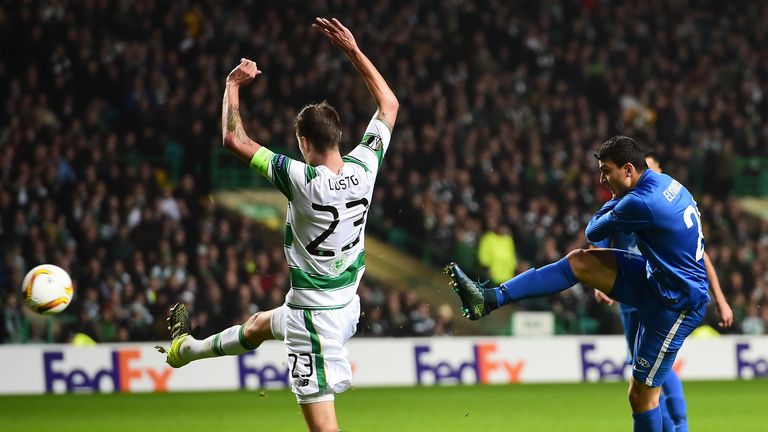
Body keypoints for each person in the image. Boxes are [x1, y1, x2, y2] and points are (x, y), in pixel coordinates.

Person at [157, 17, 398, 432]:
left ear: (304, 142)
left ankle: (187, 350)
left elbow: (235, 139)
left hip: (313, 321)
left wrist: (232, 85)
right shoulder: (366, 165)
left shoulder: (300, 178)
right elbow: (389, 105)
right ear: (339, 136)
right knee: (258, 324)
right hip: (343, 303)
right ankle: (186, 350)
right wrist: (353, 51)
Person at [445, 136, 710, 432]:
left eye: (606, 171)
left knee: (642, 395)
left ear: (627, 169)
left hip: (676, 302)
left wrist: (614, 201)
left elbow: (593, 229)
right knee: (579, 262)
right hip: (658, 277)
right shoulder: (665, 183)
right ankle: (490, 298)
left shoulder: (641, 202)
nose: (602, 179)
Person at [590, 151, 733, 432]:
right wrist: (599, 281)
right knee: (645, 374)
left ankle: (680, 426)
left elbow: (701, 257)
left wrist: (721, 299)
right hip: (629, 300)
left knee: (650, 375)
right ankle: (672, 426)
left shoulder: (657, 203)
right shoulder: (623, 204)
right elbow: (598, 243)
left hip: (657, 292)